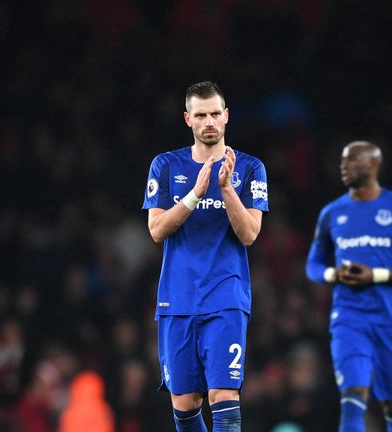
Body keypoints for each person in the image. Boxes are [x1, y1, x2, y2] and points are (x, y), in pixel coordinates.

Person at [142, 81, 268, 432]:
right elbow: (156, 230)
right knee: (185, 404)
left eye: (215, 113)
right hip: (177, 299)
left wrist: (226, 189)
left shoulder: (250, 168)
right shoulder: (165, 166)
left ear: (226, 116)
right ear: (188, 119)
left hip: (226, 297)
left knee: (223, 395)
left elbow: (250, 234)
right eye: (201, 115)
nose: (209, 121)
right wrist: (196, 194)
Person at [306, 141, 392, 432]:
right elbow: (312, 265)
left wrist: (375, 275)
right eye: (342, 161)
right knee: (353, 396)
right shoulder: (331, 213)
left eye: (352, 160)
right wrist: (332, 275)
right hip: (349, 317)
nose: (343, 166)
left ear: (373, 164)